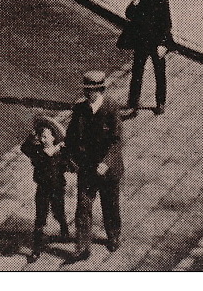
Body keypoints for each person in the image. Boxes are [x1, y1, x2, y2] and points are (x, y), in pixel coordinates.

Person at [66, 70, 124, 260]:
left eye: (91, 91)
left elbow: (117, 141)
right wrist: (71, 159)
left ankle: (113, 235)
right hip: (87, 169)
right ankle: (83, 247)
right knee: (83, 207)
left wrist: (106, 163)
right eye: (86, 90)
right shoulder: (80, 108)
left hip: (108, 170)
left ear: (100, 90)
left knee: (110, 205)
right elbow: (71, 136)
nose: (87, 94)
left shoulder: (111, 108)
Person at [122, 0, 173, 116]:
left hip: (157, 42)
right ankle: (133, 102)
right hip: (141, 42)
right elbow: (129, 15)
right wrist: (135, 2)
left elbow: (167, 24)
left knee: (160, 72)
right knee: (137, 71)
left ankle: (160, 102)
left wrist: (163, 44)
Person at [21, 116, 74, 261]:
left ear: (53, 137)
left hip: (57, 188)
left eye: (45, 136)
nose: (42, 139)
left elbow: (71, 164)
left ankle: (63, 225)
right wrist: (32, 135)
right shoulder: (37, 151)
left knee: (58, 211)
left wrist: (67, 157)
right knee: (40, 218)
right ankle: (36, 249)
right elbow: (24, 148)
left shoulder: (61, 152)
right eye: (41, 136)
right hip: (42, 189)